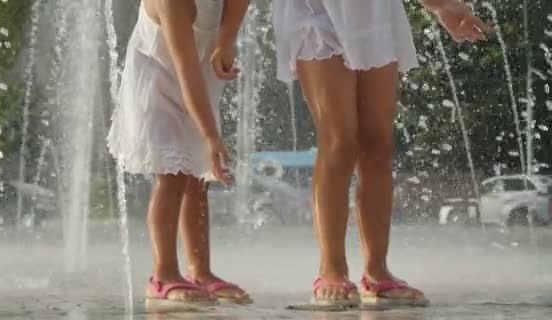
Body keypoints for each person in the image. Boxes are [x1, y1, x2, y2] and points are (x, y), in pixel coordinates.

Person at [273, 0, 491, 307]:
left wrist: (441, 6)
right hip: (315, 11)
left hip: (373, 10)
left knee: (377, 145)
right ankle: (331, 268)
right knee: (339, 141)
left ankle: (377, 271)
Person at [107, 0, 251, 309]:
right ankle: (163, 274)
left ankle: (200, 271)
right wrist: (211, 137)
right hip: (157, 75)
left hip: (199, 69)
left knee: (197, 175)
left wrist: (226, 41)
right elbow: (184, 69)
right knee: (173, 174)